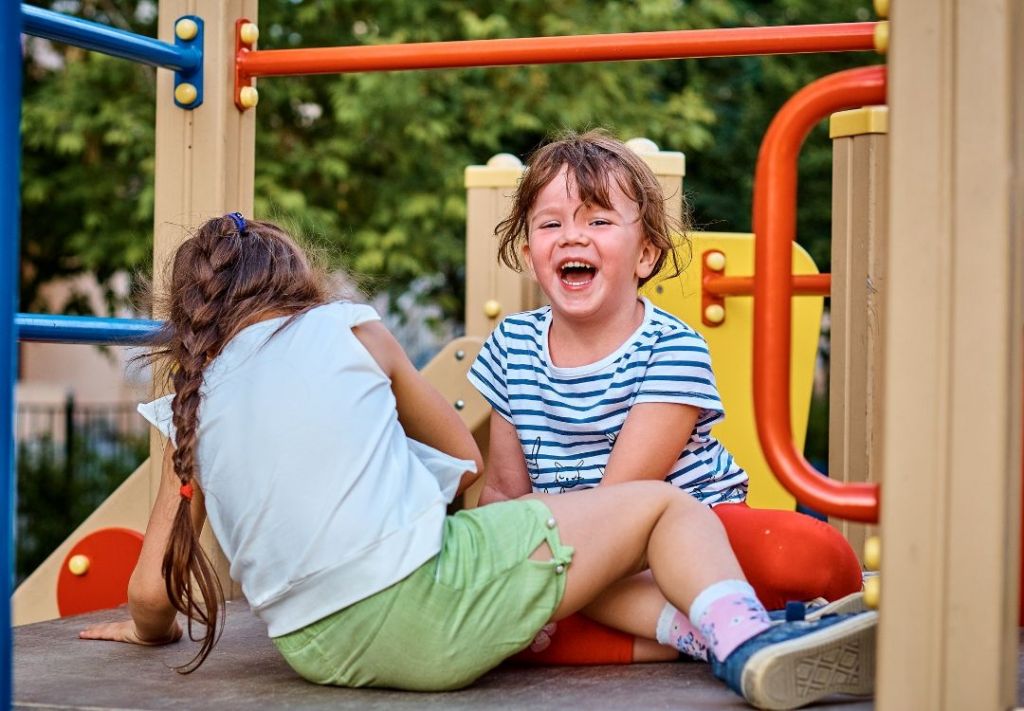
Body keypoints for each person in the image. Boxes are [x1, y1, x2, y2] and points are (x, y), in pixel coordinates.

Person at [79, 213, 874, 710]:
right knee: (669, 509)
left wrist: (147, 632)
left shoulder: (194, 399)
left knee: (567, 569)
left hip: (317, 652)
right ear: (300, 280)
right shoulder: (350, 328)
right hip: (425, 609)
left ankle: (716, 634)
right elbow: (462, 458)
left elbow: (152, 592)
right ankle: (749, 647)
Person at [467, 130, 864, 667]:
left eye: (598, 220)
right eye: (550, 223)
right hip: (580, 556)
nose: (571, 237)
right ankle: (714, 634)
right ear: (528, 252)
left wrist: (545, 588)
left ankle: (678, 616)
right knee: (487, 608)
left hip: (691, 536)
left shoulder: (671, 347)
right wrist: (508, 570)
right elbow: (503, 496)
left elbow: (623, 502)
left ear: (646, 254)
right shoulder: (512, 347)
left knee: (807, 556)